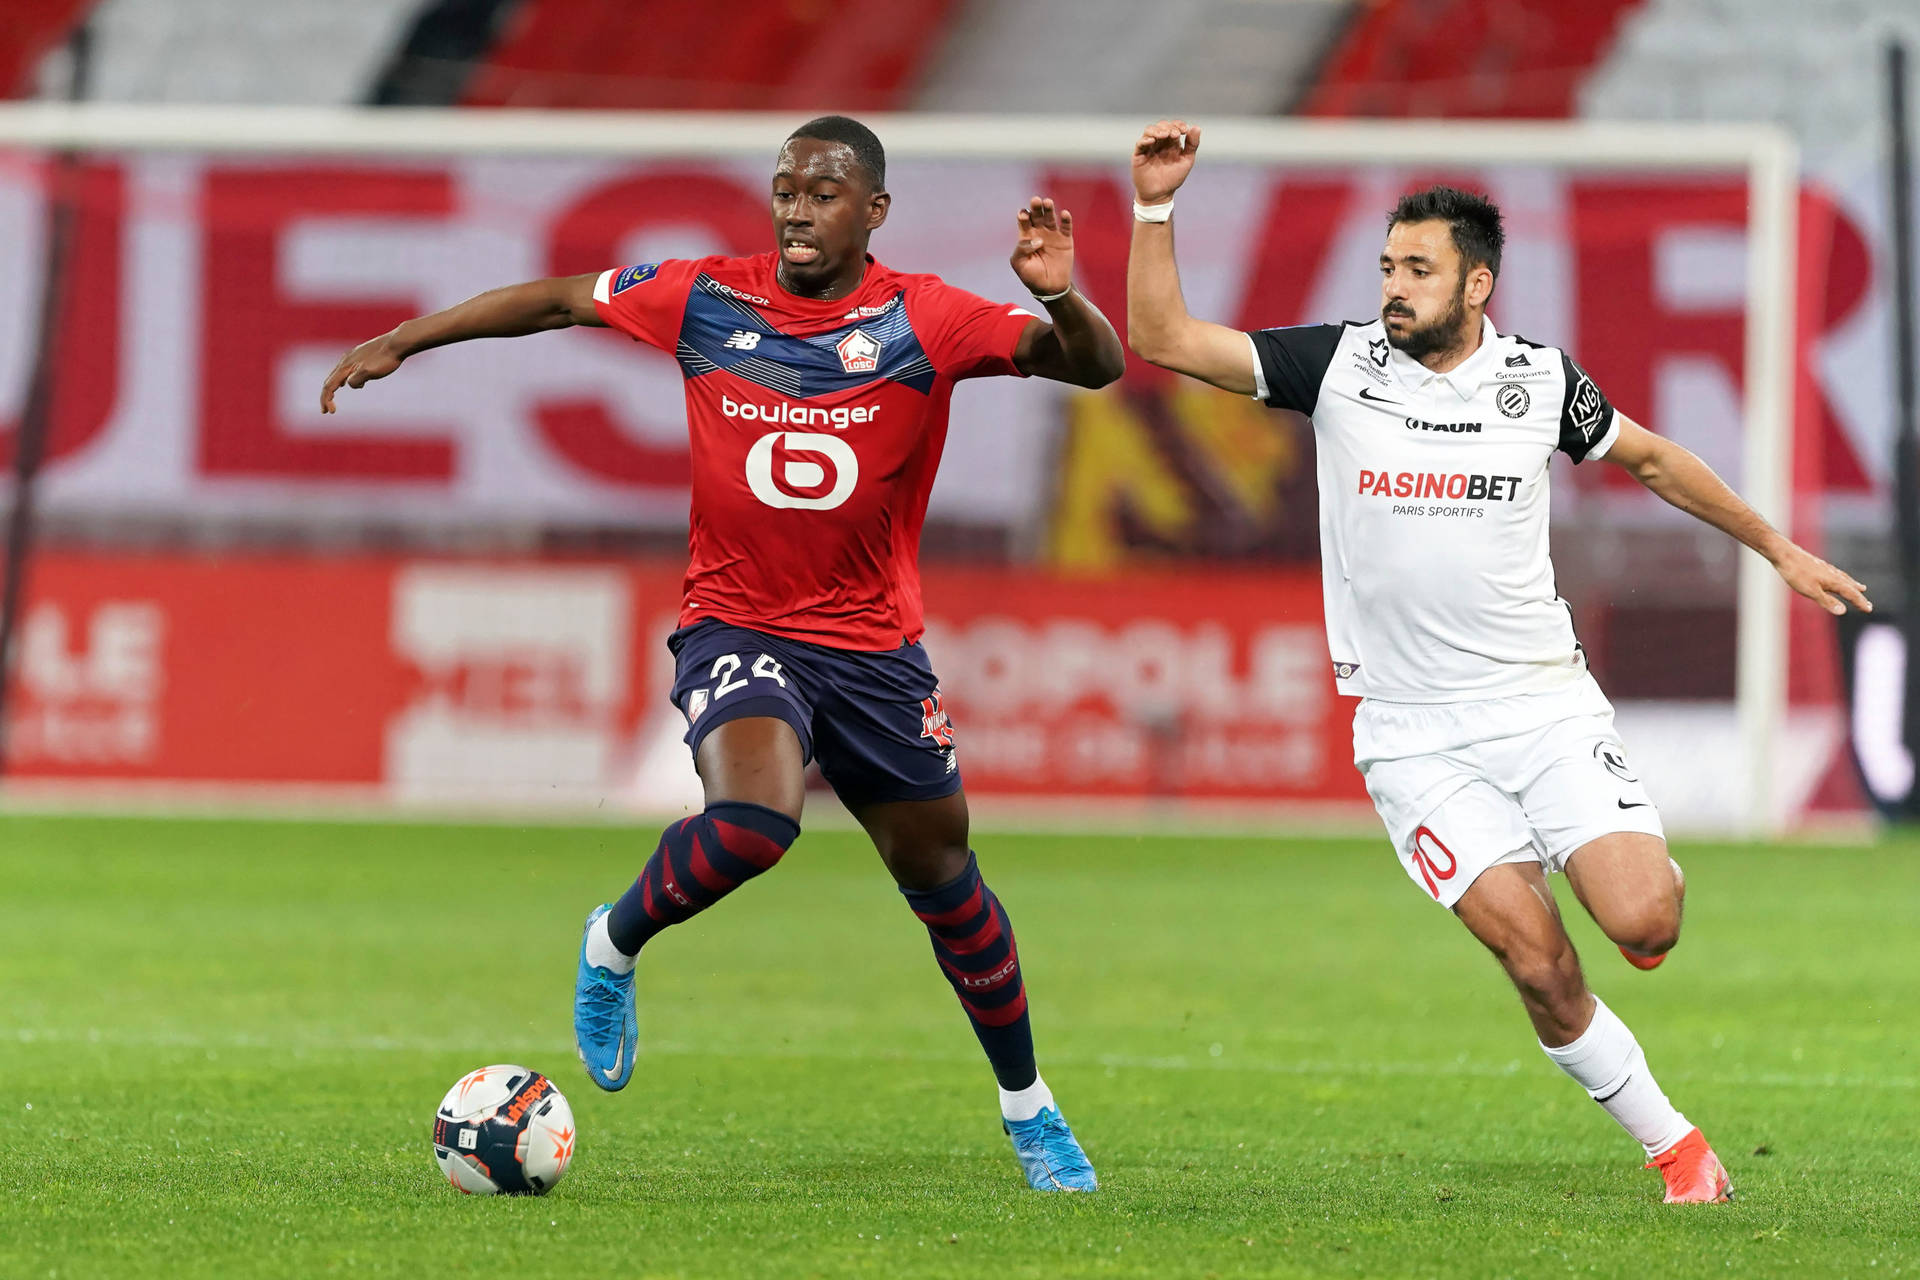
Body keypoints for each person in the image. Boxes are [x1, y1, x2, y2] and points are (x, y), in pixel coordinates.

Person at [321, 115, 1124, 1191]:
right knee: (756, 821)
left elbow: (1096, 367)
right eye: (786, 188)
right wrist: (407, 336)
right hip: (739, 622)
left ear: (873, 211)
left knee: (944, 878)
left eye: (824, 192)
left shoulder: (925, 317)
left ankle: (1031, 1110)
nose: (796, 207)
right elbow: (560, 296)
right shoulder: (706, 295)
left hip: (877, 650)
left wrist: (1058, 292)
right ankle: (613, 940)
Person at [1124, 120, 1872, 1204]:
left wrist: (1778, 546)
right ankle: (1677, 1148)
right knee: (1538, 958)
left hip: (1543, 706)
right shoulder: (1334, 365)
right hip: (1413, 735)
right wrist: (1154, 206)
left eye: (1417, 270)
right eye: (1386, 266)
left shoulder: (1538, 381)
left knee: (1643, 924)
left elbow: (1655, 457)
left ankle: (1630, 864)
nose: (1394, 287)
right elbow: (1163, 336)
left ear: (1476, 284)